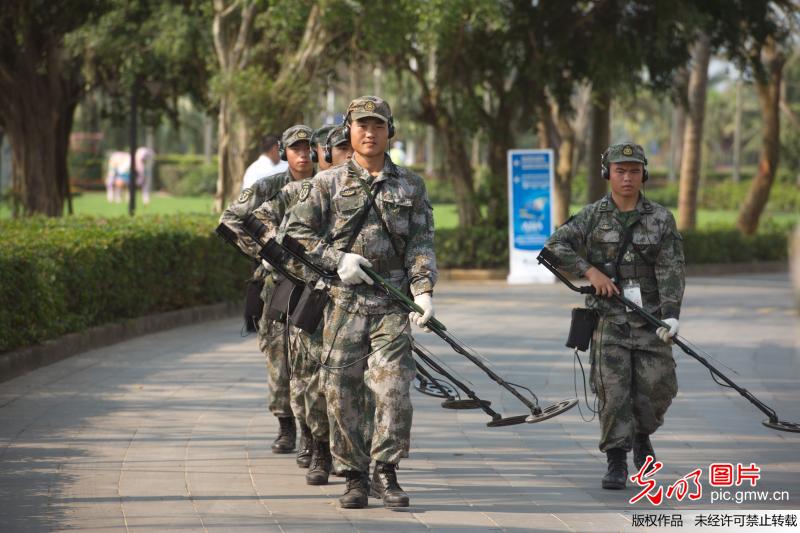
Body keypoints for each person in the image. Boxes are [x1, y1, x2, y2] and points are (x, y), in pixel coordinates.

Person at [284, 95, 437, 509]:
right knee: (342, 391)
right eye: (361, 125)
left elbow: (421, 241)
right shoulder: (326, 183)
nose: (369, 133)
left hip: (391, 302)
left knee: (393, 390)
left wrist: (423, 290)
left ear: (391, 131)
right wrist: (337, 260)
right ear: (348, 131)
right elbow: (294, 234)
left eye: (378, 125)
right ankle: (353, 476)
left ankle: (385, 472)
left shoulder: (410, 185)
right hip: (341, 303)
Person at [544, 142, 685, 490]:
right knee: (613, 392)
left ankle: (640, 434)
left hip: (650, 322)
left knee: (658, 388)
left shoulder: (661, 218)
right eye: (620, 171)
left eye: (634, 171)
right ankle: (617, 459)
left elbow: (671, 270)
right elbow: (554, 246)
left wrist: (671, 316)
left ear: (643, 175)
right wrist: (589, 271)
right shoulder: (592, 216)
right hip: (609, 321)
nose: (627, 177)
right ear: (608, 174)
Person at [219, 125, 314, 454]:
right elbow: (229, 219)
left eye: (307, 148)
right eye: (295, 149)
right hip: (278, 283)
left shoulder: (326, 185)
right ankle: (285, 425)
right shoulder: (270, 186)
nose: (302, 155)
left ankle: (311, 431)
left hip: (317, 283)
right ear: (283, 152)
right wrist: (264, 251)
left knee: (314, 360)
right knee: (279, 355)